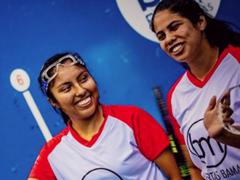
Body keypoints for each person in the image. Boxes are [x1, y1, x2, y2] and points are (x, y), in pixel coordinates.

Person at [28, 52, 182, 179]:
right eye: (66, 88)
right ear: (54, 102)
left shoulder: (132, 118)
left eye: (83, 79)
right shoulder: (54, 154)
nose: (80, 90)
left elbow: (176, 176)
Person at [150, 0, 240, 179]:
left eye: (174, 27)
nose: (169, 39)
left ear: (200, 22)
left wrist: (228, 136)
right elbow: (191, 167)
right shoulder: (175, 97)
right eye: (161, 36)